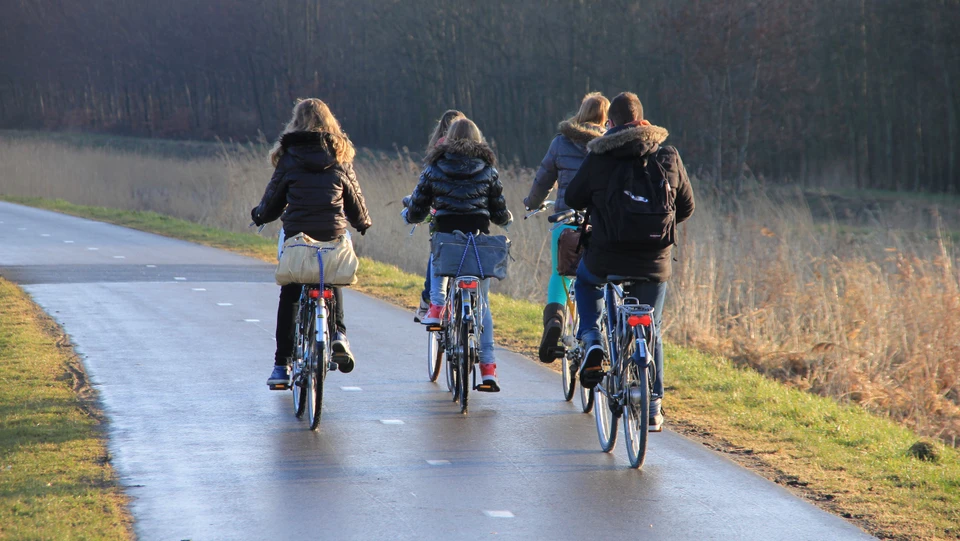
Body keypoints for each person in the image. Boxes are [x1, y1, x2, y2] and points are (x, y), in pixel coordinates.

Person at [564, 92, 695, 431]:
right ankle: (653, 407)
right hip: (655, 261)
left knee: (585, 281)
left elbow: (572, 196)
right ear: (643, 119)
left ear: (612, 122)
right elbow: (687, 206)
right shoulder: (668, 155)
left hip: (607, 256)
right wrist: (657, 228)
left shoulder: (600, 155)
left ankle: (592, 338)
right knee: (651, 328)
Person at [251, 98, 372, 388]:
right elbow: (354, 199)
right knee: (331, 271)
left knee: (291, 294)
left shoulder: (289, 155)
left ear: (296, 122)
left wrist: (260, 215)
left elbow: (273, 199)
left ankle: (281, 366)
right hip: (331, 232)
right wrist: (362, 221)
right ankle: (339, 335)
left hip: (297, 235)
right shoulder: (340, 154)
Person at [404, 118, 512, 391]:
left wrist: (410, 215)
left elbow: (418, 207)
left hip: (447, 240)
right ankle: (488, 370)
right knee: (484, 304)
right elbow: (499, 212)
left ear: (448, 138)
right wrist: (505, 217)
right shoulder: (488, 169)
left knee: (437, 253)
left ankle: (437, 307)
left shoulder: (435, 166)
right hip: (478, 243)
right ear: (478, 139)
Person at [523, 92, 608, 363]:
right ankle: (598, 332)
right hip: (599, 225)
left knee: (561, 275)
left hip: (567, 222)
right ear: (605, 117)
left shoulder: (561, 142)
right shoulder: (610, 144)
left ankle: (556, 320)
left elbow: (543, 178)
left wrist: (532, 202)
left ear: (581, 112)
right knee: (600, 280)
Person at [413, 110, 467, 322]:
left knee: (437, 252)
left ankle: (430, 301)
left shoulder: (435, 157)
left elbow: (423, 189)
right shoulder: (479, 157)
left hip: (441, 216)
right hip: (473, 220)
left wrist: (416, 211)